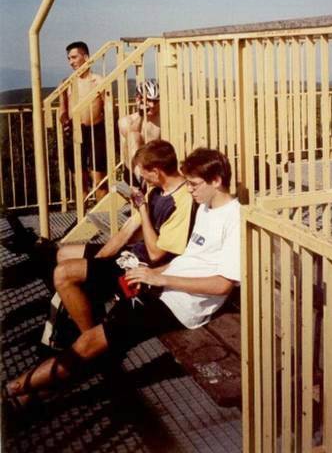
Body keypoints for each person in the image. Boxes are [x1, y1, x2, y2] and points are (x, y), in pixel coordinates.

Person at [5, 148, 240, 411]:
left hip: (179, 305)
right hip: (162, 286)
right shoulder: (207, 207)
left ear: (216, 180)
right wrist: (152, 275)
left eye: (194, 184)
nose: (190, 189)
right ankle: (31, 389)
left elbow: (222, 285)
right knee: (94, 333)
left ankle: (14, 388)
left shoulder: (234, 220)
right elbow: (188, 261)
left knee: (91, 341)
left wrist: (161, 279)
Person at [41, 139, 195, 343]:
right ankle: (91, 316)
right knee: (64, 254)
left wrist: (142, 209)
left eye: (144, 173)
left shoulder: (183, 201)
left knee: (63, 274)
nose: (142, 178)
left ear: (156, 172)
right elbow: (126, 231)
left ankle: (90, 341)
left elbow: (156, 255)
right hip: (132, 254)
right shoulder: (157, 189)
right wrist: (97, 261)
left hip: (144, 267)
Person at [60, 41, 107, 202]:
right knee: (79, 180)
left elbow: (109, 107)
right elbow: (62, 110)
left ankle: (103, 213)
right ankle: (82, 215)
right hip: (75, 133)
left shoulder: (98, 80)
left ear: (86, 57)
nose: (71, 62)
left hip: (97, 130)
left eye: (74, 57)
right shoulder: (66, 83)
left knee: (99, 179)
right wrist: (64, 121)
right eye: (69, 58)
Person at [118, 79, 161, 186]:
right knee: (133, 135)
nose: (152, 105)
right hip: (133, 171)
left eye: (155, 101)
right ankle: (142, 179)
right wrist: (142, 115)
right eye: (149, 100)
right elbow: (130, 135)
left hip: (156, 168)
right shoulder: (126, 121)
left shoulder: (163, 119)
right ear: (138, 99)